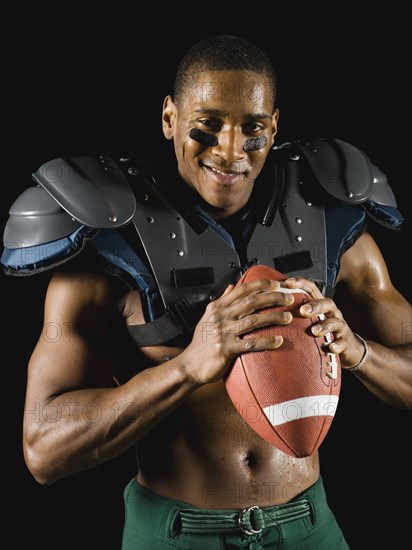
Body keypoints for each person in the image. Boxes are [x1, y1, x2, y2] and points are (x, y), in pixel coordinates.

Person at [1, 34, 411, 550]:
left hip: (309, 526)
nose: (231, 151)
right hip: (176, 534)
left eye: (253, 130)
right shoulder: (110, 251)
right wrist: (187, 366)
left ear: (275, 127)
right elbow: (43, 451)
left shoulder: (330, 229)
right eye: (208, 125)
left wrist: (360, 353)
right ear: (170, 117)